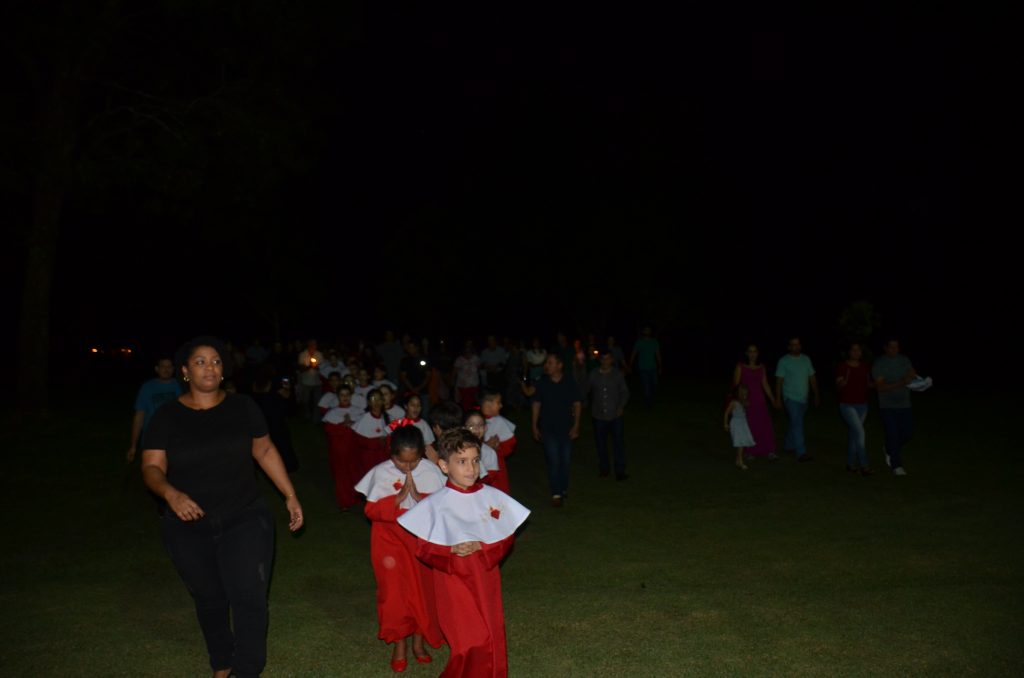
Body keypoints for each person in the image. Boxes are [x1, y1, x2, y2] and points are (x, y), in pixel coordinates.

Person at [140, 336, 303, 678]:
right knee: (210, 599)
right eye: (200, 362)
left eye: (215, 361)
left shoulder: (243, 407)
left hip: (244, 515)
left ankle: (245, 670)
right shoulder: (167, 416)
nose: (209, 367)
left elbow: (265, 450)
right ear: (185, 371)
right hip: (186, 524)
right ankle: (222, 662)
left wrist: (289, 494)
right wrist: (171, 494)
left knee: (249, 596)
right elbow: (152, 467)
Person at [397, 429, 530, 678]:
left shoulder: (490, 498)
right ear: (444, 466)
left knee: (491, 638)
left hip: (484, 580)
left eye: (475, 460)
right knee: (470, 642)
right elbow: (424, 549)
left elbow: (505, 537)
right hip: (453, 585)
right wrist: (450, 549)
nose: (471, 468)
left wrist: (483, 546)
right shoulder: (436, 504)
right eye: (462, 462)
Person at [355, 425, 446, 672]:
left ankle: (418, 641)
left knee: (422, 591)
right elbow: (370, 511)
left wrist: (418, 497)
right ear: (391, 453)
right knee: (394, 593)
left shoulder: (430, 470)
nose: (407, 468)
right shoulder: (380, 472)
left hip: (419, 539)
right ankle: (399, 644)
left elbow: (442, 508)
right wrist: (396, 500)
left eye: (413, 463)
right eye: (400, 462)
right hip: (389, 542)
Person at [523, 354, 582, 507]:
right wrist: (534, 425)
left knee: (565, 460)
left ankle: (563, 488)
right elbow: (536, 404)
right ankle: (556, 492)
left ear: (559, 365)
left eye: (550, 363)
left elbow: (577, 403)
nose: (546, 366)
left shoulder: (569, 381)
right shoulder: (542, 382)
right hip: (548, 428)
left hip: (566, 427)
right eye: (546, 363)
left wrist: (576, 425)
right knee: (554, 460)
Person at [872, 338, 918, 476]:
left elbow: (912, 372)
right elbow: (880, 387)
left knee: (908, 432)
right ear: (885, 348)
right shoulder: (879, 364)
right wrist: (901, 383)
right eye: (891, 347)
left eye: (896, 347)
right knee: (892, 434)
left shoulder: (904, 360)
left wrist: (912, 377)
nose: (894, 350)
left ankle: (889, 448)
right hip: (887, 406)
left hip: (905, 404)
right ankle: (896, 465)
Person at [584, 351, 630, 480]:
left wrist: (621, 406)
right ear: (600, 360)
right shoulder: (593, 375)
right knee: (601, 444)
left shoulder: (617, 374)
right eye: (603, 359)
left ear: (611, 360)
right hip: (598, 415)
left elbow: (625, 392)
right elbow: (585, 390)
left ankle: (620, 471)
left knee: (618, 443)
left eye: (608, 359)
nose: (605, 362)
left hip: (615, 415)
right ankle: (604, 469)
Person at [127, 355, 182, 462]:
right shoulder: (147, 387)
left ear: (173, 369)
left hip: (175, 440)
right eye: (163, 366)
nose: (166, 369)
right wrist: (133, 445)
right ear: (157, 369)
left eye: (169, 366)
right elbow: (139, 416)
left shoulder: (181, 386)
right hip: (152, 439)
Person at [774, 337, 820, 461]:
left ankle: (788, 445)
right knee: (798, 424)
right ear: (789, 347)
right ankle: (801, 452)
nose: (795, 346)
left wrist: (816, 395)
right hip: (790, 398)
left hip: (803, 399)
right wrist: (778, 398)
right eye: (793, 345)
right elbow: (779, 381)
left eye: (797, 344)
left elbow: (812, 378)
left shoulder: (806, 359)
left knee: (794, 423)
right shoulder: (784, 361)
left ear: (800, 346)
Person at [322, 384, 365, 511]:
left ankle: (356, 498)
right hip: (339, 450)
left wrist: (352, 424)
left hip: (354, 449)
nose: (345, 397)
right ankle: (344, 501)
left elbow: (362, 428)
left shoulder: (358, 411)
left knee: (355, 473)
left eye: (347, 395)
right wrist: (343, 425)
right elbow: (329, 430)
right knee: (341, 476)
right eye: (342, 395)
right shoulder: (333, 412)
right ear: (338, 396)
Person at [731, 345, 777, 460]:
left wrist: (773, 399)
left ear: (758, 353)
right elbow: (735, 385)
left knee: (765, 425)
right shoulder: (740, 366)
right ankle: (749, 452)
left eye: (755, 351)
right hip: (746, 402)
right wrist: (739, 400)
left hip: (760, 401)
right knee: (748, 426)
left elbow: (765, 384)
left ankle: (769, 451)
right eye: (750, 351)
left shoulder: (761, 367)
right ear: (746, 353)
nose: (752, 354)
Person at [250, 368, 300, 473]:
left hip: (264, 428)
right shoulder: (274, 398)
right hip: (276, 427)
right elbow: (287, 409)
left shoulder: (253, 400)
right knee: (282, 446)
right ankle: (288, 466)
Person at [837, 342, 874, 476]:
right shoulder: (843, 366)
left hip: (863, 405)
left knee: (854, 435)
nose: (856, 352)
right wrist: (843, 383)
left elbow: (868, 383)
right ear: (849, 352)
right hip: (847, 405)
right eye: (853, 350)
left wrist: (878, 384)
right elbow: (839, 385)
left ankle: (850, 464)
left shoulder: (865, 367)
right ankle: (864, 465)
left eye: (858, 350)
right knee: (860, 433)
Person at [480, 389, 517, 494]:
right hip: (476, 466)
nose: (501, 405)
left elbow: (510, 444)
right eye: (498, 402)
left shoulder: (499, 421)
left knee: (498, 492)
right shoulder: (474, 419)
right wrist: (485, 446)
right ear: (488, 404)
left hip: (496, 467)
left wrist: (497, 448)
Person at [629, 325, 662, 408]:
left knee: (654, 385)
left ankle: (651, 400)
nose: (647, 331)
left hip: (653, 368)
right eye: (645, 330)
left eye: (648, 330)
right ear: (643, 332)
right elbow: (634, 354)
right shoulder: (639, 342)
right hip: (643, 368)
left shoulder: (654, 342)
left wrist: (660, 366)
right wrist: (629, 365)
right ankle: (648, 404)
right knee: (646, 387)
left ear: (650, 332)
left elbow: (658, 354)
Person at [724, 384, 756, 470]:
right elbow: (727, 413)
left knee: (742, 443)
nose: (745, 396)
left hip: (743, 424)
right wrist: (725, 424)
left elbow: (746, 409)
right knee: (740, 443)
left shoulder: (744, 402)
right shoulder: (734, 403)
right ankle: (740, 461)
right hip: (736, 424)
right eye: (743, 394)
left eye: (746, 394)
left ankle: (738, 460)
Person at [296, 339, 325, 422]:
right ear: (308, 345)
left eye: (314, 344)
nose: (313, 345)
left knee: (317, 401)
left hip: (317, 382)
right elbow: (300, 368)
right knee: (305, 401)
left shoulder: (319, 354)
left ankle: (315, 418)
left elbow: (323, 367)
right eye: (311, 344)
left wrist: (316, 366)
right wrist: (309, 366)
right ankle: (306, 416)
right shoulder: (302, 354)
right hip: (306, 381)